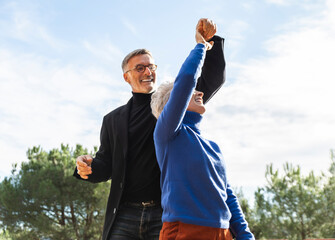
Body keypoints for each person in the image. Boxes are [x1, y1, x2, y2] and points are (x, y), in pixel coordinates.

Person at [73, 18, 226, 240]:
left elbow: (212, 79)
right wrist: (86, 168)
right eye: (140, 67)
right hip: (124, 214)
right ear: (127, 76)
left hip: (165, 214)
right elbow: (105, 167)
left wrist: (209, 42)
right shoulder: (112, 120)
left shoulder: (172, 105)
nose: (148, 71)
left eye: (151, 66)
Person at [151, 20, 254, 240]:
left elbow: (228, 195)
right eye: (192, 91)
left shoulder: (213, 147)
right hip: (185, 231)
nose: (199, 93)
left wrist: (245, 235)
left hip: (223, 233)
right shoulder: (169, 135)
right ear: (173, 103)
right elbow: (186, 81)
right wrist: (200, 47)